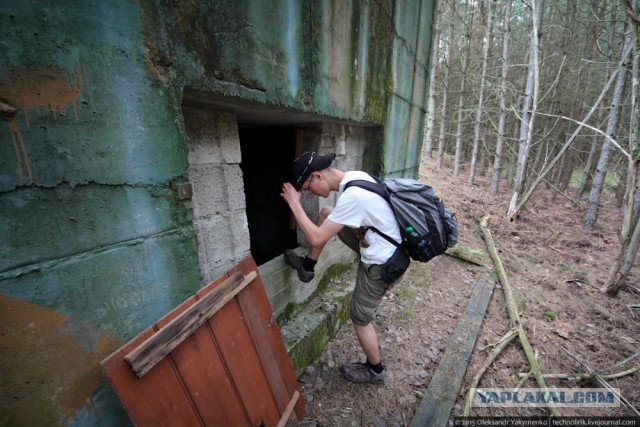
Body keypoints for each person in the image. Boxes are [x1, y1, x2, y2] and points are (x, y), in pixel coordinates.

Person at [280, 151, 406, 385]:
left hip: (383, 263)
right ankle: (308, 266)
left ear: (317, 175)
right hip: (384, 242)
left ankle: (375, 370)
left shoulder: (353, 196)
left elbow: (317, 238)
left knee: (360, 318)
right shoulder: (356, 177)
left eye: (308, 187)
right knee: (328, 212)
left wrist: (294, 204)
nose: (309, 192)